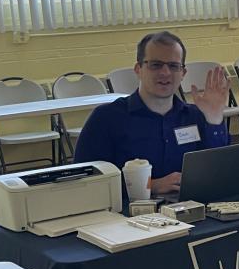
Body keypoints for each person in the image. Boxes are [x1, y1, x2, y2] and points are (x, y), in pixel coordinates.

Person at [75, 31, 230, 201]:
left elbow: (220, 172)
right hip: (127, 213)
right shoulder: (106, 119)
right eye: (156, 65)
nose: (165, 72)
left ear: (183, 73)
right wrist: (150, 185)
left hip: (190, 209)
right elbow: (86, 181)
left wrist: (214, 120)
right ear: (138, 69)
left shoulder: (195, 116)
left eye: (173, 66)